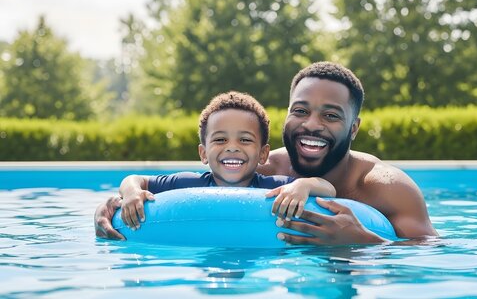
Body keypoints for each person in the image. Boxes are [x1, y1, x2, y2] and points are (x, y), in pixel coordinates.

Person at [95, 62, 438, 244]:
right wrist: (115, 202)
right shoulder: (266, 164)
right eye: (300, 111)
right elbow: (201, 191)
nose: (311, 125)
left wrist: (363, 241)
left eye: (331, 115)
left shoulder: (387, 187)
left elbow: (432, 255)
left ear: (353, 128)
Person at [113, 91, 336, 231]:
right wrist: (132, 192)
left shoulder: (273, 187)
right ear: (203, 153)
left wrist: (303, 185)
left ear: (263, 154)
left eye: (245, 139)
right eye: (220, 139)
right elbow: (135, 179)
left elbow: (329, 189)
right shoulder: (189, 184)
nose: (232, 146)